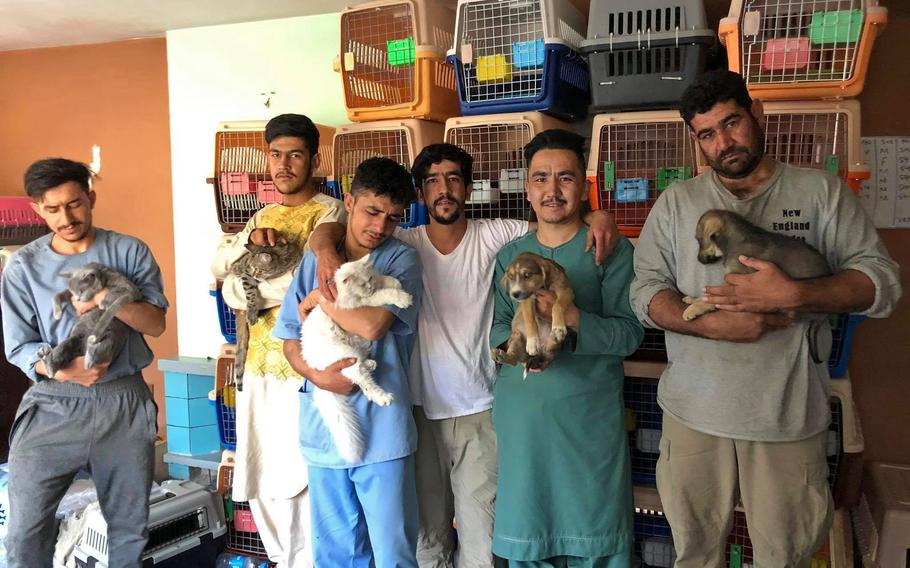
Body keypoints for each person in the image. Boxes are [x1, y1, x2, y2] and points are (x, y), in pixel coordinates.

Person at [629, 70, 902, 567]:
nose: (723, 142)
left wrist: (794, 292)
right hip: (692, 414)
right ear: (697, 141)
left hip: (786, 415)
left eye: (732, 123)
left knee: (785, 554)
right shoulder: (676, 204)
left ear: (758, 114)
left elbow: (881, 284)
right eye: (707, 133)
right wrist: (706, 324)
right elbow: (644, 293)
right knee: (694, 551)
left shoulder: (821, 195)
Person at [309, 143, 619, 568]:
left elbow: (553, 218)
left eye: (454, 179)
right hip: (416, 412)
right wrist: (324, 243)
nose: (444, 189)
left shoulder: (498, 235)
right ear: (419, 194)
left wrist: (598, 216)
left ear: (469, 188)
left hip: (480, 410)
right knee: (428, 538)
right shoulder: (401, 242)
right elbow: (340, 228)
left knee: (481, 539)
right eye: (433, 181)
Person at [1, 158, 168, 568]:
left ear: (90, 197)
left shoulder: (128, 251)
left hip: (123, 401)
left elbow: (156, 323)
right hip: (54, 401)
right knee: (25, 530)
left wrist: (104, 300)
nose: (66, 217)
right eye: (53, 209)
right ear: (38, 208)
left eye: (75, 204)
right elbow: (18, 346)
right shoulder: (23, 266)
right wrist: (59, 370)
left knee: (129, 530)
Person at [490, 130, 643, 567]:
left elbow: (629, 334)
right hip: (524, 422)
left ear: (584, 185)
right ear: (527, 188)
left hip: (587, 421)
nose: (551, 191)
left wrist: (572, 319)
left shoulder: (607, 250)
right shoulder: (512, 256)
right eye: (540, 178)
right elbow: (499, 326)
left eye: (565, 178)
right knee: (527, 535)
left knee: (592, 535)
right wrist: (519, 349)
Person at [210, 113, 345, 568]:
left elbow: (307, 286)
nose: (284, 165)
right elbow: (226, 282)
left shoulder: (331, 212)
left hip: (302, 369)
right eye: (276, 154)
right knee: (262, 476)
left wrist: (252, 288)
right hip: (257, 368)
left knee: (303, 478)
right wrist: (254, 287)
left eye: (295, 155)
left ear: (314, 159)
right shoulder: (260, 218)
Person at [274, 156, 423, 567]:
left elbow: (374, 325)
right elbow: (289, 339)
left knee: (394, 552)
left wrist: (322, 297)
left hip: (384, 432)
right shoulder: (314, 262)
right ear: (350, 202)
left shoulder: (400, 261)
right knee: (336, 554)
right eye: (372, 212)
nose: (379, 227)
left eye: (392, 218)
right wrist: (316, 377)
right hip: (325, 430)